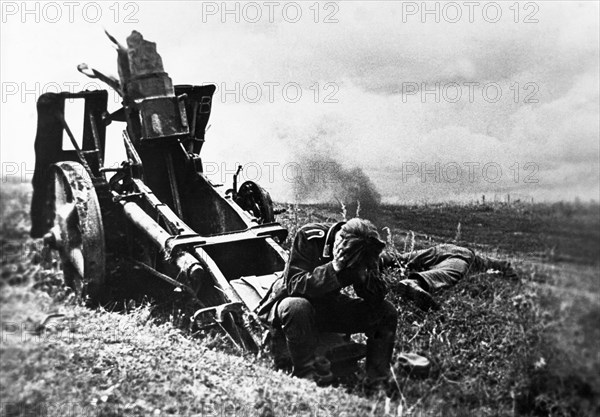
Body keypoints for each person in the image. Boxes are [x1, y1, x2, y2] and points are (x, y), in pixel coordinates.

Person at [255, 219, 398, 386]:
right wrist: (334, 267)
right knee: (298, 306)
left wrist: (365, 276)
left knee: (386, 311)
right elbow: (294, 284)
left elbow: (374, 298)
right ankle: (305, 375)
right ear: (339, 241)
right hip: (290, 306)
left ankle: (377, 378)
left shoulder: (364, 247)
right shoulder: (309, 237)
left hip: (327, 307)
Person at [386, 243, 518, 311]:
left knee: (402, 258)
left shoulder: (486, 262)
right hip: (464, 255)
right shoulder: (480, 261)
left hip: (443, 248)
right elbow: (506, 265)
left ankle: (373, 258)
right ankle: (413, 283)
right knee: (449, 273)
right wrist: (516, 283)